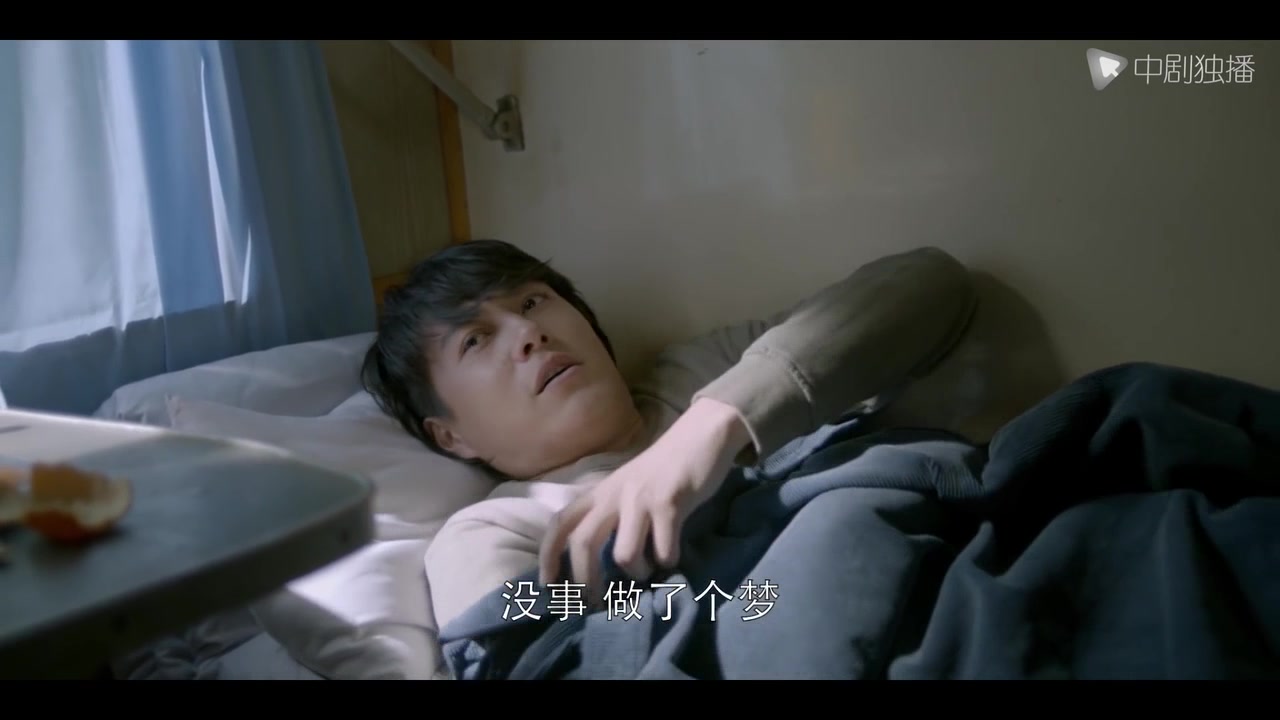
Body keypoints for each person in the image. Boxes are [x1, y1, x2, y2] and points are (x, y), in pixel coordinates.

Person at [362, 239, 979, 628]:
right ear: (452, 438)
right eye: (475, 339)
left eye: (531, 302)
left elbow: (930, 283)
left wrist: (712, 426)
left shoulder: (700, 371)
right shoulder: (492, 532)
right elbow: (536, 657)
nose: (529, 333)